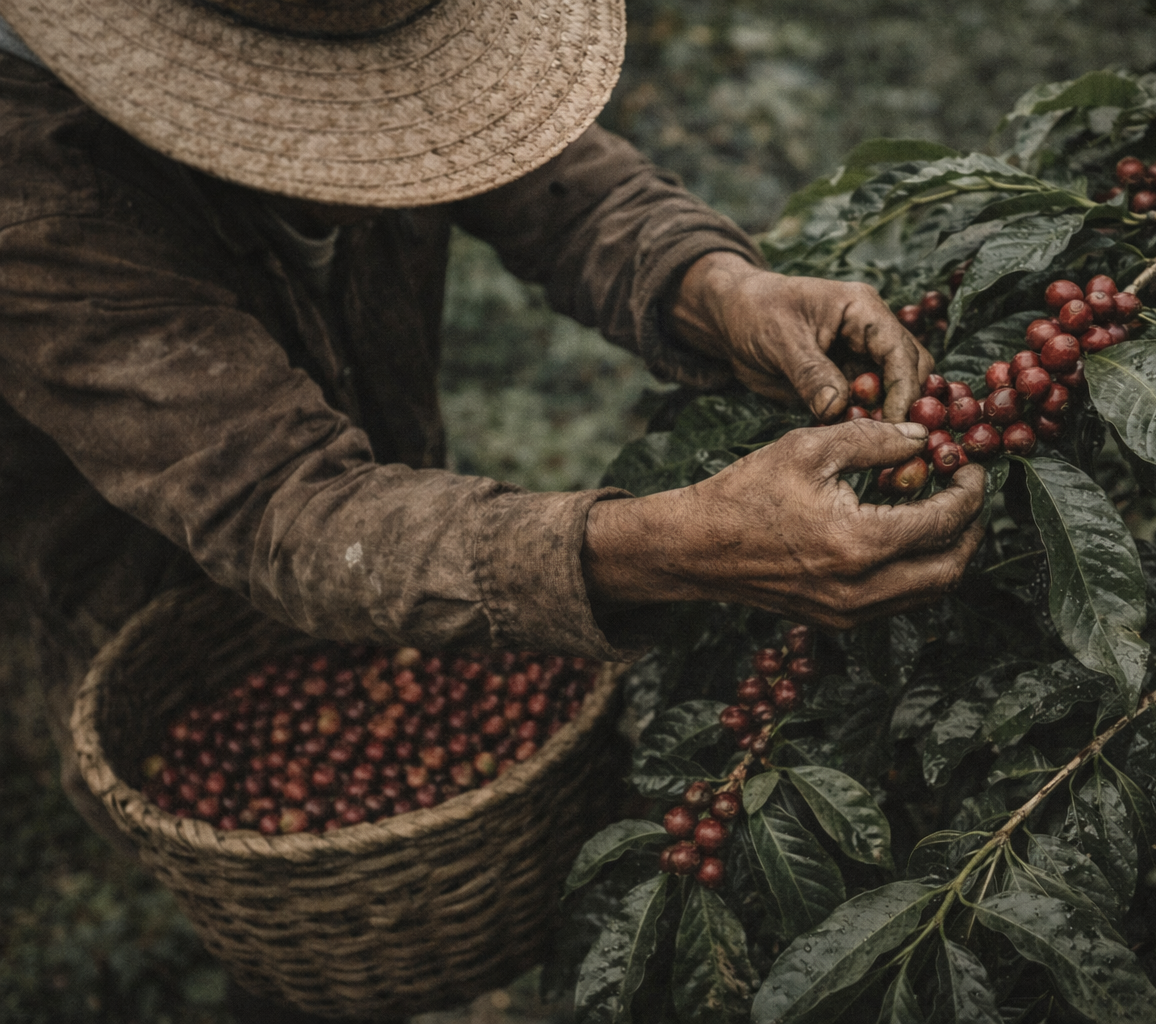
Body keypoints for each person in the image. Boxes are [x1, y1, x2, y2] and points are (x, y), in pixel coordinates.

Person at [0, 0, 984, 1018]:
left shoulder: (368, 26)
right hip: (166, 603)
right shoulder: (37, 206)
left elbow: (550, 182)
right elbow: (285, 509)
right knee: (312, 941)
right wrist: (673, 545)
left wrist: (715, 283)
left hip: (407, 545)